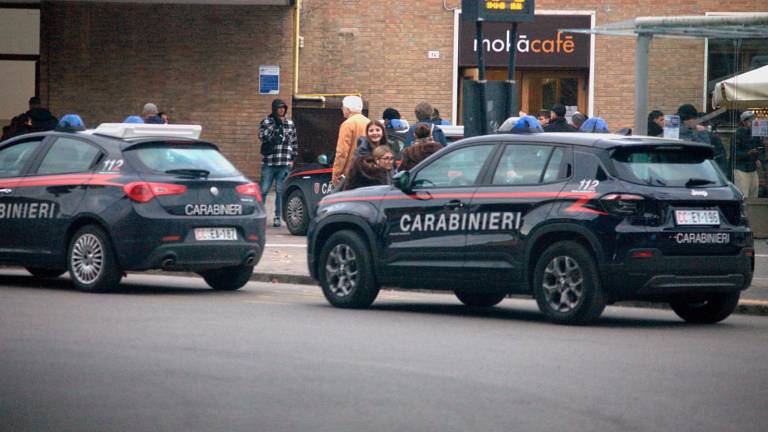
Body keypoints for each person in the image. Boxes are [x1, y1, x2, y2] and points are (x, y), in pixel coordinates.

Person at [259, 98, 298, 227]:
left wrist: (292, 159)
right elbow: (261, 136)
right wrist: (275, 126)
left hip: (284, 162)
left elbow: (294, 142)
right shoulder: (267, 121)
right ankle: (259, 215)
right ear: (274, 109)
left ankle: (277, 217)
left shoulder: (290, 123)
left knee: (280, 191)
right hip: (270, 162)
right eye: (279, 108)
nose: (281, 110)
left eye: (283, 108)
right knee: (264, 190)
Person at [332, 95, 369, 187]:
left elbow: (342, 152)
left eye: (343, 107)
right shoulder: (369, 123)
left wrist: (336, 174)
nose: (342, 109)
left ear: (348, 109)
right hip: (366, 171)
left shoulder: (347, 124)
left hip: (350, 173)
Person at [733, 110, 762, 198]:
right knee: (743, 195)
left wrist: (758, 158)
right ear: (744, 122)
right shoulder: (737, 134)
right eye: (750, 121)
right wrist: (748, 153)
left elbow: (759, 147)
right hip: (741, 169)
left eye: (754, 120)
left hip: (752, 168)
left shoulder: (755, 133)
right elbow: (735, 153)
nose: (753, 123)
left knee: (754, 194)